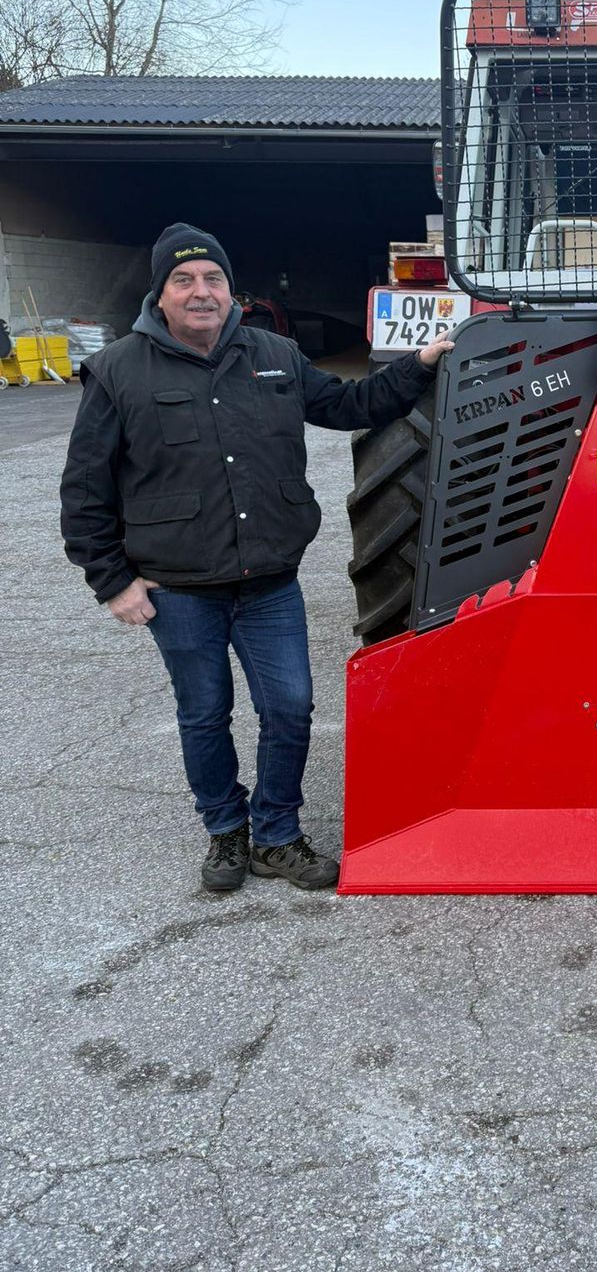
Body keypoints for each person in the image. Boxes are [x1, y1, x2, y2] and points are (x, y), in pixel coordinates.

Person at [61, 223, 453, 894]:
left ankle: (276, 834)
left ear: (230, 292)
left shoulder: (274, 354)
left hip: (270, 582)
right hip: (180, 589)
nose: (200, 292)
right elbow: (85, 488)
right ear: (160, 296)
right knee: (205, 713)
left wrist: (416, 365)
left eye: (212, 278)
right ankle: (225, 831)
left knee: (291, 707)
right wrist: (111, 581)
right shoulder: (119, 370)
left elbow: (348, 404)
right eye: (183, 281)